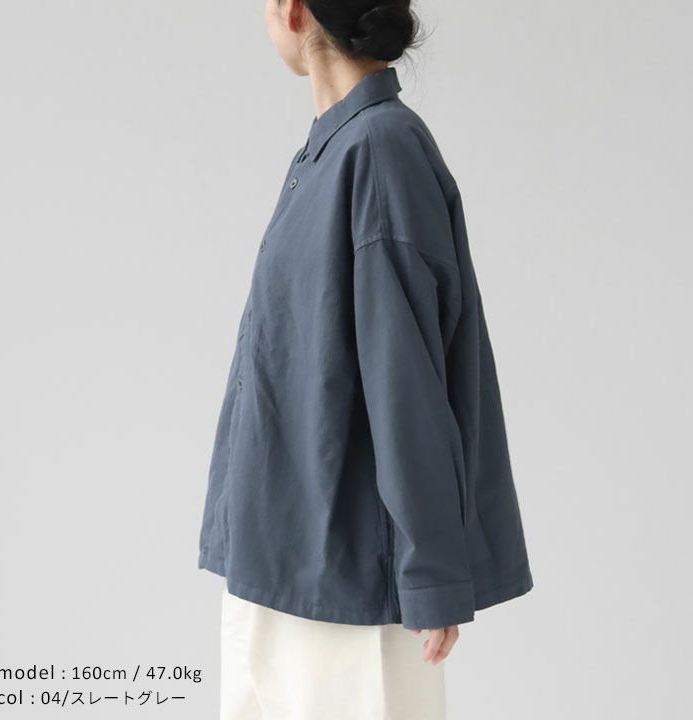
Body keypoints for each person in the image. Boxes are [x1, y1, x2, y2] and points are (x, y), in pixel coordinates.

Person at [197, 2, 534, 718]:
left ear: (294, 10)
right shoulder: (331, 149)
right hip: (277, 566)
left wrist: (432, 574)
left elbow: (405, 377)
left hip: (347, 589)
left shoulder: (380, 151)